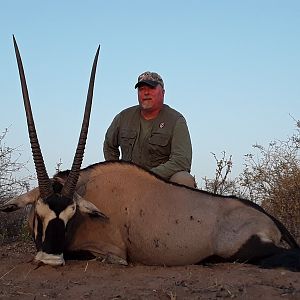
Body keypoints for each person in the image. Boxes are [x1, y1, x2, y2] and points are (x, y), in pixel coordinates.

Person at [103, 71, 196, 188]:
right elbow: (109, 145)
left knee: (184, 179)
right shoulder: (123, 117)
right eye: (141, 89)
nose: (146, 93)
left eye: (151, 88)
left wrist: (147, 176)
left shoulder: (176, 120)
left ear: (163, 92)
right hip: (128, 181)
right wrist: (116, 170)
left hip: (160, 182)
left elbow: (181, 161)